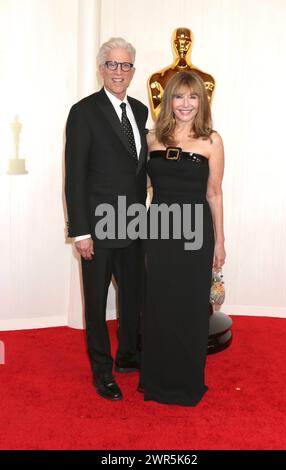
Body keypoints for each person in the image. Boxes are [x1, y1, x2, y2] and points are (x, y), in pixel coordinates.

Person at [65, 37, 148, 401]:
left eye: (125, 65)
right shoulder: (83, 112)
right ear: (102, 69)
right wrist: (81, 231)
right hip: (96, 229)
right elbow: (75, 176)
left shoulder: (143, 111)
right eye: (112, 65)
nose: (119, 71)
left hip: (135, 224)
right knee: (96, 304)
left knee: (133, 297)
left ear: (133, 70)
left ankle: (129, 356)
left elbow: (138, 164)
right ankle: (102, 371)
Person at [140, 71, 225, 406]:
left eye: (193, 97)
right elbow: (144, 187)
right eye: (179, 96)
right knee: (159, 304)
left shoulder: (211, 140)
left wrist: (219, 241)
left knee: (190, 307)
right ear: (168, 100)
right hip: (159, 230)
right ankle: (157, 381)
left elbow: (215, 194)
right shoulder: (152, 140)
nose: (186, 104)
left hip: (194, 233)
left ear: (201, 102)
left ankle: (186, 383)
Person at [148, 27, 215, 119]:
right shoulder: (157, 79)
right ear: (173, 44)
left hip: (198, 132)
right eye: (177, 42)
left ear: (192, 44)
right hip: (167, 132)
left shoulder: (207, 79)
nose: (182, 45)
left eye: (186, 41)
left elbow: (203, 115)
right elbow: (158, 116)